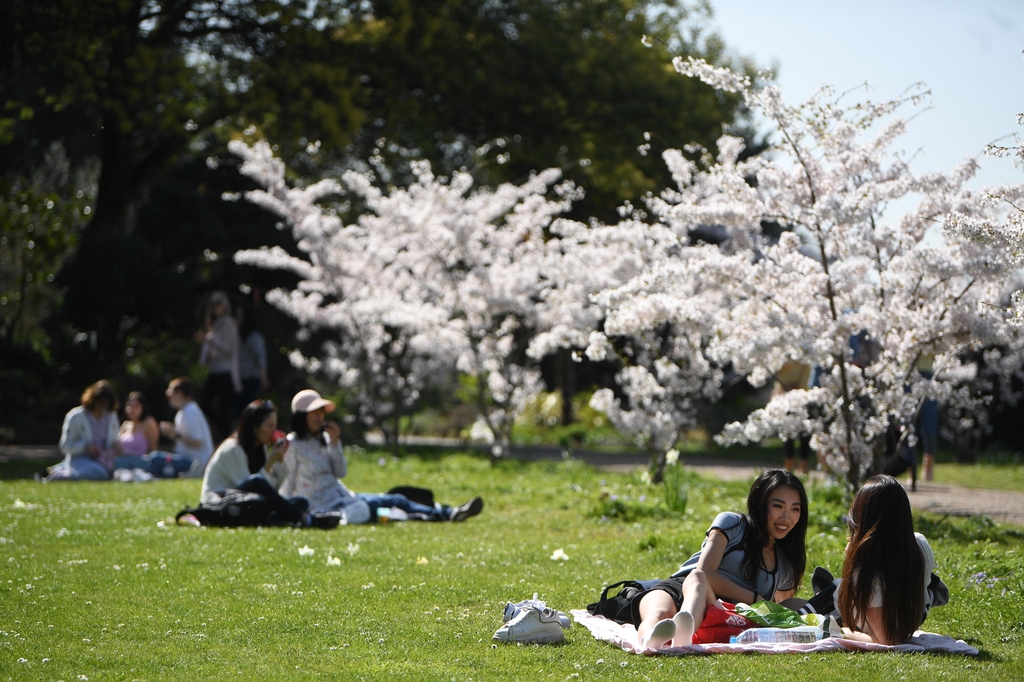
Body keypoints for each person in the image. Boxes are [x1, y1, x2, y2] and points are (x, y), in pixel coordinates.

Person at [632, 470, 808, 649]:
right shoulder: (733, 524)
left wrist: (826, 604)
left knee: (694, 584)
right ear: (760, 503)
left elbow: (781, 606)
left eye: (795, 509)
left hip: (724, 611)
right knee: (660, 613)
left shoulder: (784, 564)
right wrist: (755, 597)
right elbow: (705, 572)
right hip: (683, 586)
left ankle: (682, 638)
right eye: (778, 506)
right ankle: (651, 641)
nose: (786, 517)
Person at [279, 389, 484, 524]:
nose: (320, 417)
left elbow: (340, 471)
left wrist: (335, 443)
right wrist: (290, 514)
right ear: (301, 417)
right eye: (313, 413)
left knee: (395, 501)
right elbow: (287, 484)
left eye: (321, 412)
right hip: (325, 507)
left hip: (343, 497)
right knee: (388, 506)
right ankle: (445, 514)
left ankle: (447, 513)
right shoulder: (292, 445)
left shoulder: (324, 439)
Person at [201, 400, 338, 529]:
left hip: (246, 504)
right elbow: (251, 488)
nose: (274, 431)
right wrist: (270, 462)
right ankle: (306, 519)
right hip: (220, 504)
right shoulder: (232, 449)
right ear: (255, 427)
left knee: (301, 502)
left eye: (275, 426)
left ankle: (283, 517)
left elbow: (272, 491)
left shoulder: (260, 448)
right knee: (258, 482)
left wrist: (279, 460)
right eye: (269, 426)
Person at [838, 474, 938, 645]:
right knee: (830, 589)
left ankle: (824, 588)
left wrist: (839, 632)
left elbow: (888, 639)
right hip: (911, 617)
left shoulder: (866, 573)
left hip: (856, 619)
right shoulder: (920, 544)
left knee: (829, 598)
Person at [46, 381, 122, 481]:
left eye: (106, 404)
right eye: (100, 403)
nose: (102, 407)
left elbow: (113, 440)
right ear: (92, 400)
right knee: (100, 473)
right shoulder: (75, 416)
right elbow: (65, 446)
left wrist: (116, 447)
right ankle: (60, 476)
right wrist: (85, 447)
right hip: (81, 459)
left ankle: (61, 471)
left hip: (105, 460)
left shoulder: (112, 416)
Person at [114, 390, 200, 478]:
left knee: (155, 458)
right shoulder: (125, 425)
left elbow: (153, 449)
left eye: (136, 406)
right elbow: (116, 447)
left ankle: (190, 466)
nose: (132, 409)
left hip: (142, 462)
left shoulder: (148, 422)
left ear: (143, 407)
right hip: (122, 462)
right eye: (129, 405)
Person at [198, 290, 241, 438]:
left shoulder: (228, 323)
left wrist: (210, 340)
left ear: (225, 305)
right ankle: (224, 434)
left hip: (225, 371)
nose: (216, 306)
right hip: (214, 370)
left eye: (219, 303)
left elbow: (229, 349)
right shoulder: (214, 324)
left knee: (223, 408)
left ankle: (226, 435)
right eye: (213, 303)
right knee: (205, 404)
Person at [159, 377, 215, 475]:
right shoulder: (183, 412)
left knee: (155, 459)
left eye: (170, 392)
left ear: (179, 393)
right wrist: (171, 432)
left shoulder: (190, 412)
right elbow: (181, 439)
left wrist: (175, 433)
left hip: (197, 464)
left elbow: (197, 442)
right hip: (188, 461)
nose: (168, 395)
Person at [773, 360, 812, 475]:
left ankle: (804, 466)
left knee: (804, 432)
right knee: (787, 432)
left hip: (804, 393)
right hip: (784, 394)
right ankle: (789, 466)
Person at [234, 304, 270, 418]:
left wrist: (263, 377)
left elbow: (261, 358)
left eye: (239, 315)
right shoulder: (239, 336)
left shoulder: (254, 337)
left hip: (251, 379)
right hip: (239, 379)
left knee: (247, 410)